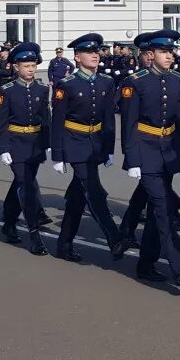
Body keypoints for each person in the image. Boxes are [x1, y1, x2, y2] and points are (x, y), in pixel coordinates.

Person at [121, 29, 180, 286]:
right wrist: (132, 160)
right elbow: (129, 124)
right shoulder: (136, 82)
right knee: (163, 207)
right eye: (164, 52)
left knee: (156, 211)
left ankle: (146, 263)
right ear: (151, 55)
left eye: (171, 51)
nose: (170, 56)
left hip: (168, 151)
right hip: (146, 149)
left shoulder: (178, 80)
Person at [50, 33, 125, 262]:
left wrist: (109, 149)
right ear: (77, 57)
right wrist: (58, 155)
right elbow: (58, 121)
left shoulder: (106, 82)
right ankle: (115, 238)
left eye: (97, 51)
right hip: (75, 143)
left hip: (95, 144)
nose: (95, 55)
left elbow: (108, 119)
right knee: (94, 190)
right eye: (89, 52)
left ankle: (63, 245)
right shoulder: (67, 85)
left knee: (77, 198)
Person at [0, 42, 51, 255]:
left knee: (20, 183)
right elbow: (1, 121)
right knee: (26, 186)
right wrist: (3, 148)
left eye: (33, 65)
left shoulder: (42, 89)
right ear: (15, 67)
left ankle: (8, 222)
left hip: (35, 143)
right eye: (26, 66)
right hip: (16, 143)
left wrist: (48, 143)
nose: (30, 69)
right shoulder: (6, 90)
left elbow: (46, 118)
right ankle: (34, 234)